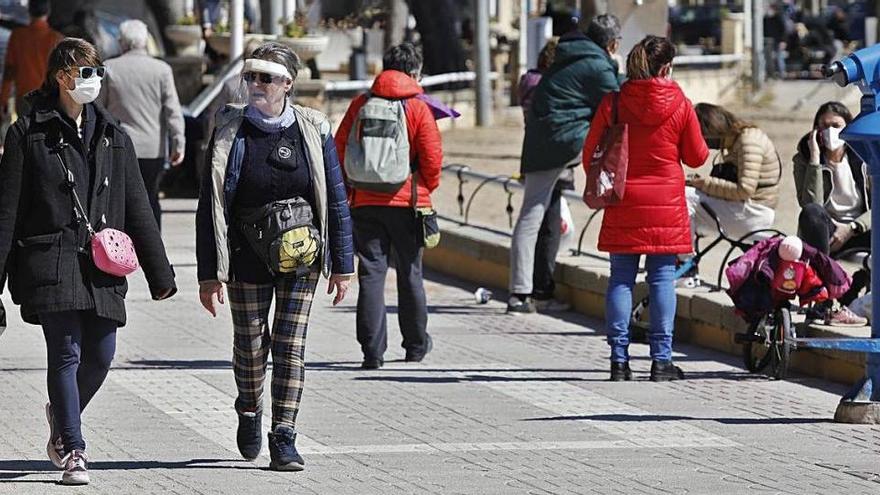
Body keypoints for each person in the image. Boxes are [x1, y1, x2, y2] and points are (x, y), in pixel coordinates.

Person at [0, 38, 177, 485]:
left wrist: (160, 274)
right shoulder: (27, 133)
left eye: (98, 73)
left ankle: (62, 413)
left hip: (102, 264)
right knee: (66, 352)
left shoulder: (114, 135)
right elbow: (6, 211)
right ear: (61, 76)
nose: (93, 81)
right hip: (50, 258)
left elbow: (137, 204)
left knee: (100, 355)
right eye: (85, 73)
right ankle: (73, 448)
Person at [196, 41, 354, 471]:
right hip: (247, 257)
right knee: (250, 347)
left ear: (288, 83)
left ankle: (284, 435)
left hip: (302, 258)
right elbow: (209, 206)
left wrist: (343, 265)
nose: (256, 84)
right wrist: (209, 274)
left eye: (266, 77)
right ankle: (249, 408)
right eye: (251, 76)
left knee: (290, 346)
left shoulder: (312, 128)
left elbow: (335, 200)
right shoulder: (230, 129)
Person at [582, 35, 709, 382]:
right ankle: (661, 360)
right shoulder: (680, 102)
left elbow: (589, 153)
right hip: (665, 204)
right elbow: (697, 156)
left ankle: (619, 361)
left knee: (621, 280)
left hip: (623, 200)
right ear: (667, 67)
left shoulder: (615, 103)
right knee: (662, 279)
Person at [335, 43, 442, 370]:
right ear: (414, 73)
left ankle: (372, 351)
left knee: (371, 274)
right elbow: (433, 158)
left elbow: (339, 150)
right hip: (409, 202)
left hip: (365, 201)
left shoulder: (361, 103)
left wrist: (351, 187)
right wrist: (424, 188)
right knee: (411, 273)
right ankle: (415, 345)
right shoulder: (417, 107)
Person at [509, 14, 622, 314]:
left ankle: (523, 292)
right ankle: (528, 292)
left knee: (535, 216)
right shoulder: (598, 65)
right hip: (565, 143)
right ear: (611, 44)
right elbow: (618, 103)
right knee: (537, 216)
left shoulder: (569, 54)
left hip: (540, 143)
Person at [98, 20, 186, 231]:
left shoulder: (109, 68)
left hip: (119, 147)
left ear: (122, 42)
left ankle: (121, 247)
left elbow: (100, 108)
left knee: (119, 199)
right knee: (150, 198)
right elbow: (173, 110)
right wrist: (178, 143)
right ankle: (154, 246)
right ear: (145, 42)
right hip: (152, 149)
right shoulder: (162, 70)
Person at [793, 101, 869, 326]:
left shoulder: (864, 157)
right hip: (824, 229)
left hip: (858, 227)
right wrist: (815, 160)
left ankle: (856, 293)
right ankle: (823, 299)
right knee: (811, 213)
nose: (829, 132)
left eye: (835, 125)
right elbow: (810, 203)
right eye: (823, 126)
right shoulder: (804, 158)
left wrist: (852, 228)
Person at [687, 103, 780, 281]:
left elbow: (745, 190)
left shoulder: (748, 140)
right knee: (688, 197)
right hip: (748, 208)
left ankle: (685, 265)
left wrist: (703, 183)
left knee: (685, 197)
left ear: (711, 127)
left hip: (755, 212)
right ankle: (682, 259)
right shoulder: (739, 139)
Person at [0, 0, 63, 120]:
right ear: (48, 12)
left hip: (24, 99)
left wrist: (3, 100)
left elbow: (9, 72)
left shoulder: (18, 36)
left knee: (25, 135)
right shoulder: (57, 39)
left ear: (29, 11)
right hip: (49, 100)